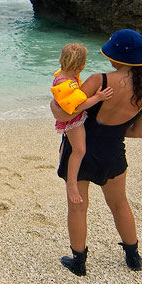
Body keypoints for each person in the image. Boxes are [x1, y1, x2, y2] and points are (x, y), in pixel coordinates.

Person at [52, 29, 142, 276]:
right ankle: (133, 257)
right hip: (113, 152)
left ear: (115, 56)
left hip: (81, 149)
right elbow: (140, 132)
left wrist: (52, 107)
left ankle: (79, 262)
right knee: (120, 205)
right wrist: (112, 134)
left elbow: (66, 112)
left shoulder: (99, 81)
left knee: (77, 207)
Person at [51, 43, 114, 206]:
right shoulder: (66, 82)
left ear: (60, 59)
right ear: (82, 65)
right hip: (73, 121)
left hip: (72, 118)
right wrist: (98, 98)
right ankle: (72, 184)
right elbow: (77, 107)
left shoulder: (63, 75)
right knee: (79, 150)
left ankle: (63, 157)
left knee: (70, 145)